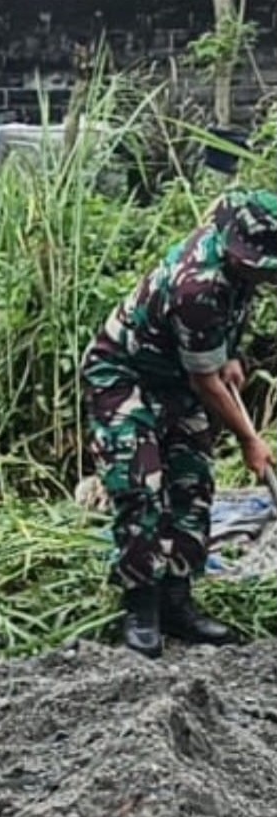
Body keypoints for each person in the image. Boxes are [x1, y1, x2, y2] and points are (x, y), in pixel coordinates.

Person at [81, 187, 277, 659]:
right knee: (140, 484)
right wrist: (252, 441)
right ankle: (140, 606)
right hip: (125, 375)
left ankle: (177, 603)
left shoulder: (240, 271)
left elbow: (216, 353)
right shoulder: (199, 283)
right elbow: (206, 383)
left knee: (191, 482)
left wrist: (230, 356)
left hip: (180, 378)